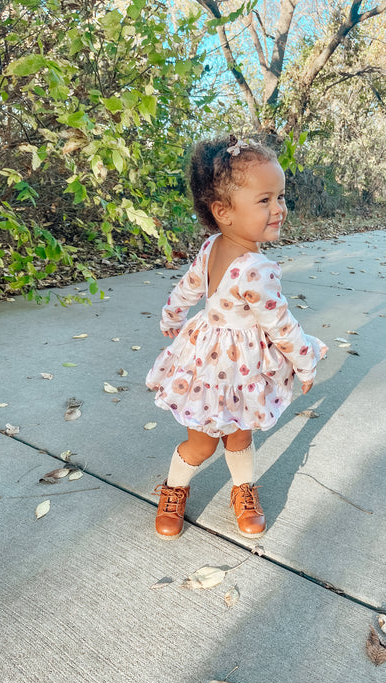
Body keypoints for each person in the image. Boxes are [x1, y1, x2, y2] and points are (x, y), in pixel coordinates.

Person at [146, 135, 328, 541]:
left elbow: (279, 322)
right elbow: (193, 286)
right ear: (222, 211)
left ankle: (243, 490)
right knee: (201, 442)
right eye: (264, 200)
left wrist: (173, 316)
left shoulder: (243, 257)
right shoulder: (227, 256)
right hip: (213, 363)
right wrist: (305, 362)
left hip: (240, 367)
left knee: (240, 433)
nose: (279, 209)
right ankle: (174, 490)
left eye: (280, 197)